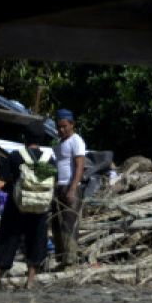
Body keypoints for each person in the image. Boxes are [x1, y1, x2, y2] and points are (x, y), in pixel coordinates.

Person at [0, 121, 55, 288]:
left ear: (24, 138)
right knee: (36, 240)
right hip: (39, 208)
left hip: (16, 206)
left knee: (6, 238)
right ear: (41, 139)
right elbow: (46, 184)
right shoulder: (48, 159)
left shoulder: (15, 156)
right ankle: (30, 281)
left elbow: (2, 182)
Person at [52, 108, 86, 268]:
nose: (61, 130)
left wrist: (72, 189)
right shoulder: (59, 143)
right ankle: (61, 258)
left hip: (71, 186)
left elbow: (79, 167)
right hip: (59, 187)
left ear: (72, 124)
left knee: (70, 224)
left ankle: (71, 261)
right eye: (59, 127)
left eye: (64, 126)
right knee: (57, 224)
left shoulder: (76, 140)